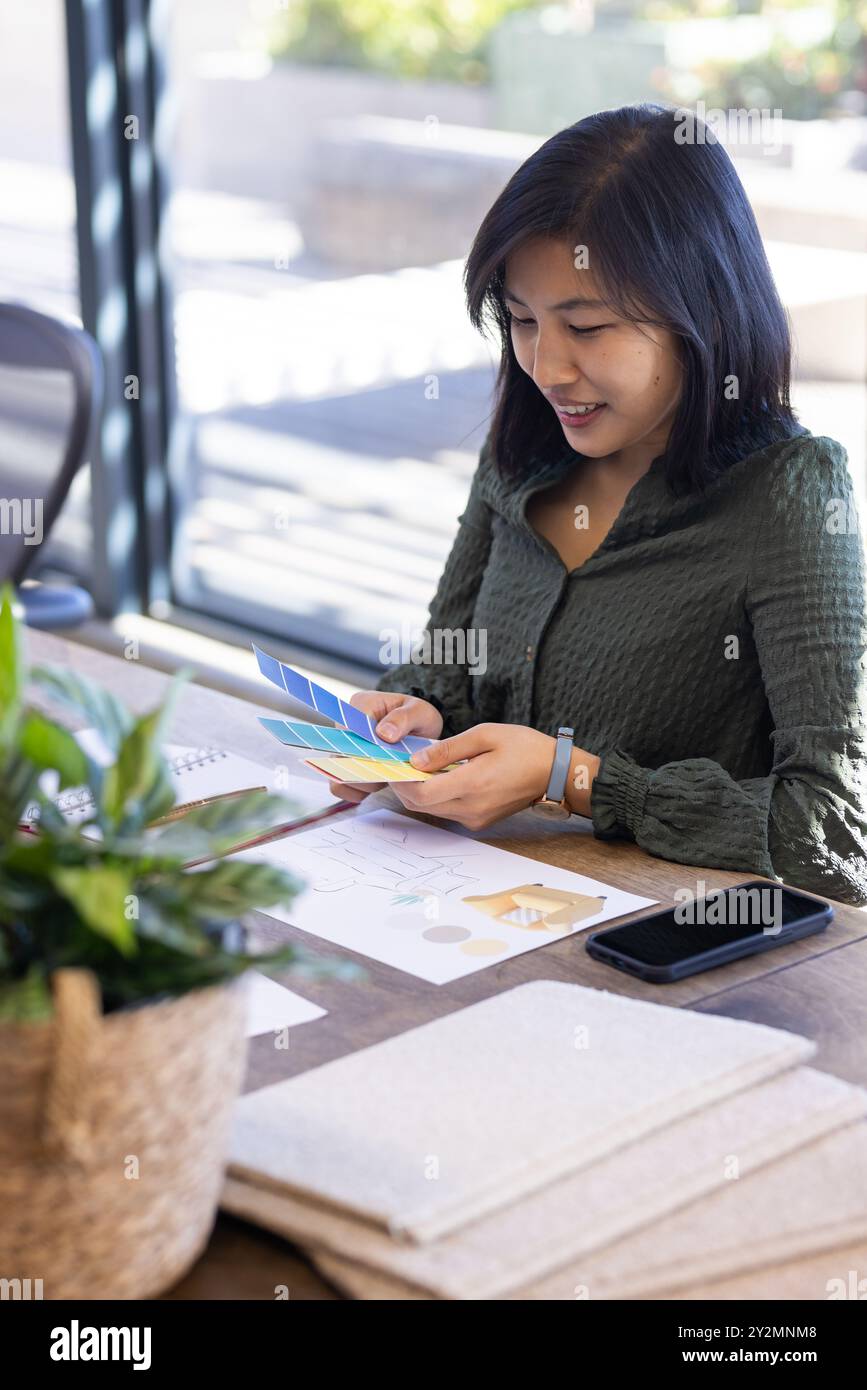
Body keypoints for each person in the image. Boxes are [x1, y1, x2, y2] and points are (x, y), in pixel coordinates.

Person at [329, 103, 867, 906]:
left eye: (586, 326)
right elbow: (449, 665)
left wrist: (571, 779)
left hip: (670, 960)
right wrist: (416, 719)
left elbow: (834, 834)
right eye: (519, 320)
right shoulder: (520, 454)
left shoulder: (786, 496)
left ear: (703, 318)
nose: (546, 367)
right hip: (483, 910)